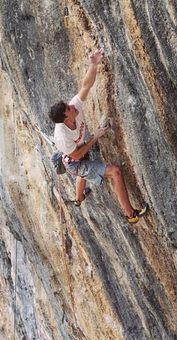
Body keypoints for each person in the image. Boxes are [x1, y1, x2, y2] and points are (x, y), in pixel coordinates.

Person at [47, 49, 149, 224]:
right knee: (115, 172)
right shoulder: (62, 136)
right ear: (65, 119)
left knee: (84, 172)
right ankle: (132, 215)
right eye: (69, 109)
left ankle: (79, 199)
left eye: (69, 105)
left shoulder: (73, 109)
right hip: (73, 161)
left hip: (77, 151)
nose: (73, 107)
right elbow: (76, 157)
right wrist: (95, 137)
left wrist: (93, 64)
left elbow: (86, 86)